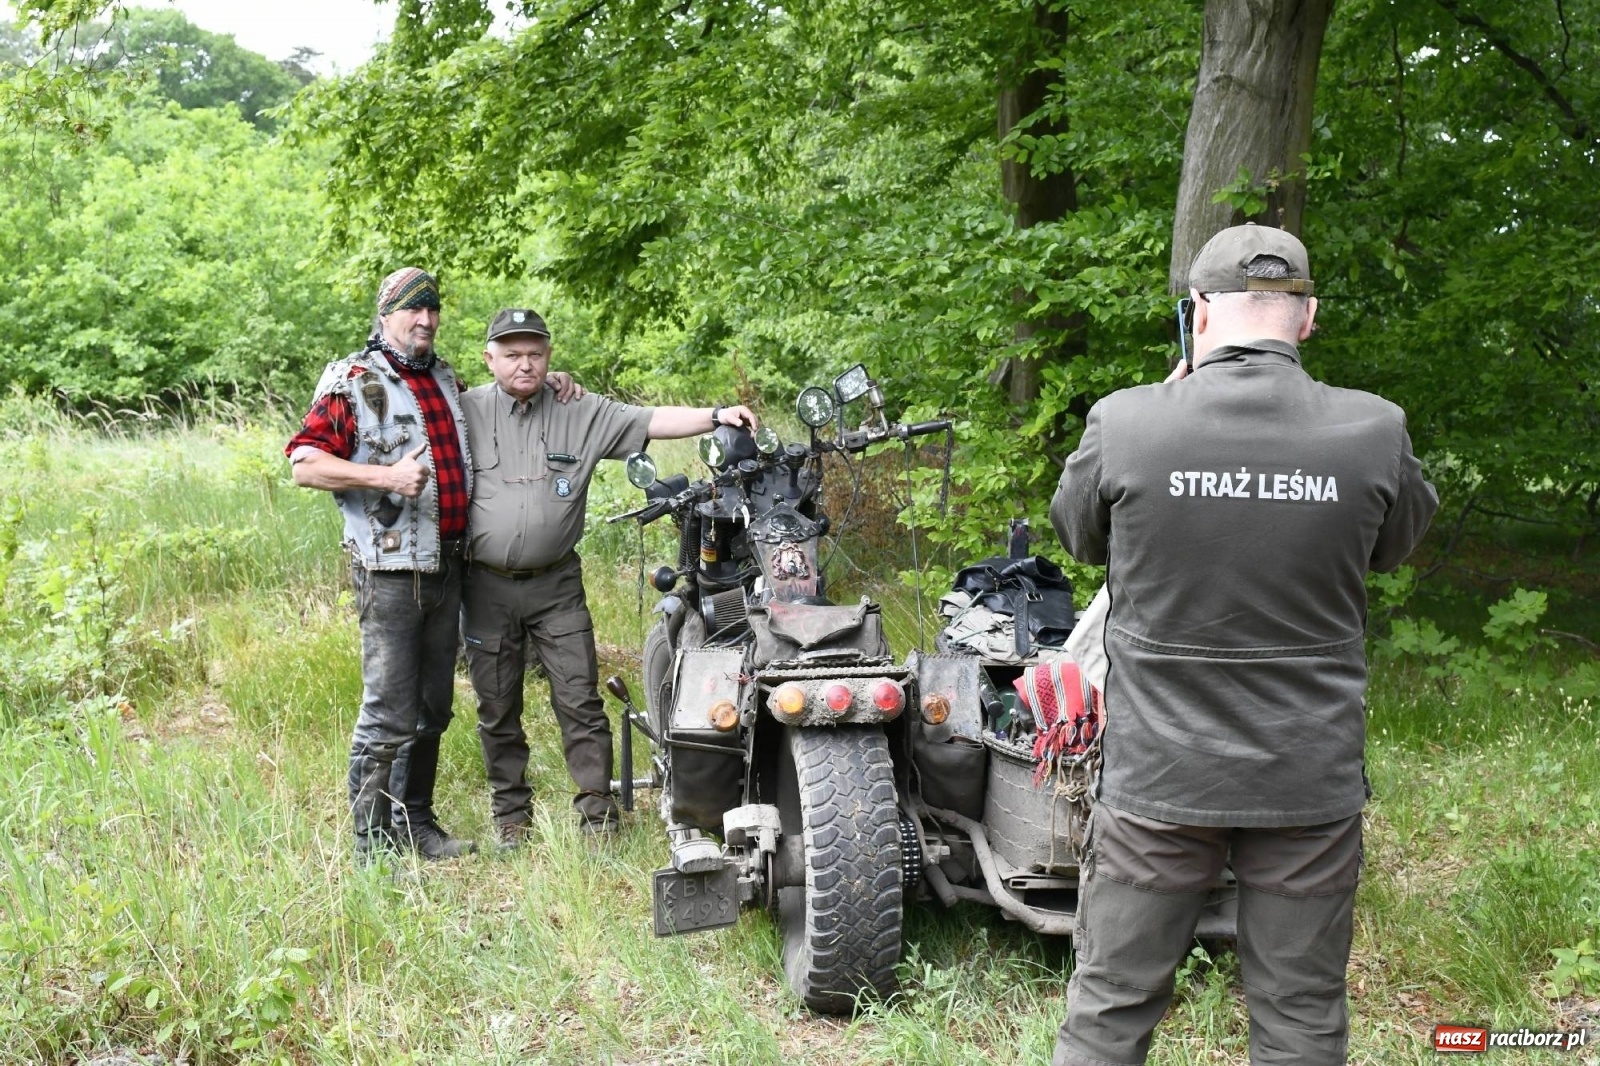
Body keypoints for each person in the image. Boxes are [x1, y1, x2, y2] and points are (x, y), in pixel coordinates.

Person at [1048, 224, 1438, 1066]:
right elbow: (1395, 544)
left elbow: (1078, 536)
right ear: (1307, 318)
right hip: (1307, 779)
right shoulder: (1374, 429)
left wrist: (1159, 410)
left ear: (1198, 314)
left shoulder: (1127, 421)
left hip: (1158, 779)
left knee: (1111, 1006)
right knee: (1301, 1015)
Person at [286, 269, 579, 866]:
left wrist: (556, 384)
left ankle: (415, 822)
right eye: (410, 311)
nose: (424, 321)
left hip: (448, 568)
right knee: (388, 712)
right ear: (385, 315)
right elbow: (305, 463)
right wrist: (385, 477)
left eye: (432, 311)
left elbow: (506, 400)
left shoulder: (445, 378)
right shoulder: (354, 380)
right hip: (390, 574)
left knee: (433, 709)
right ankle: (372, 848)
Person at [460, 308, 756, 845]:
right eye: (511, 354)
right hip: (484, 586)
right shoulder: (464, 412)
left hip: (557, 586)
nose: (524, 364)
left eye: (534, 353)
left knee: (579, 698)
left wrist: (717, 415)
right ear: (489, 359)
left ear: (549, 356)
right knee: (496, 704)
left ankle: (597, 814)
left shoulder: (580, 410)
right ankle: (511, 818)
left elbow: (649, 420)